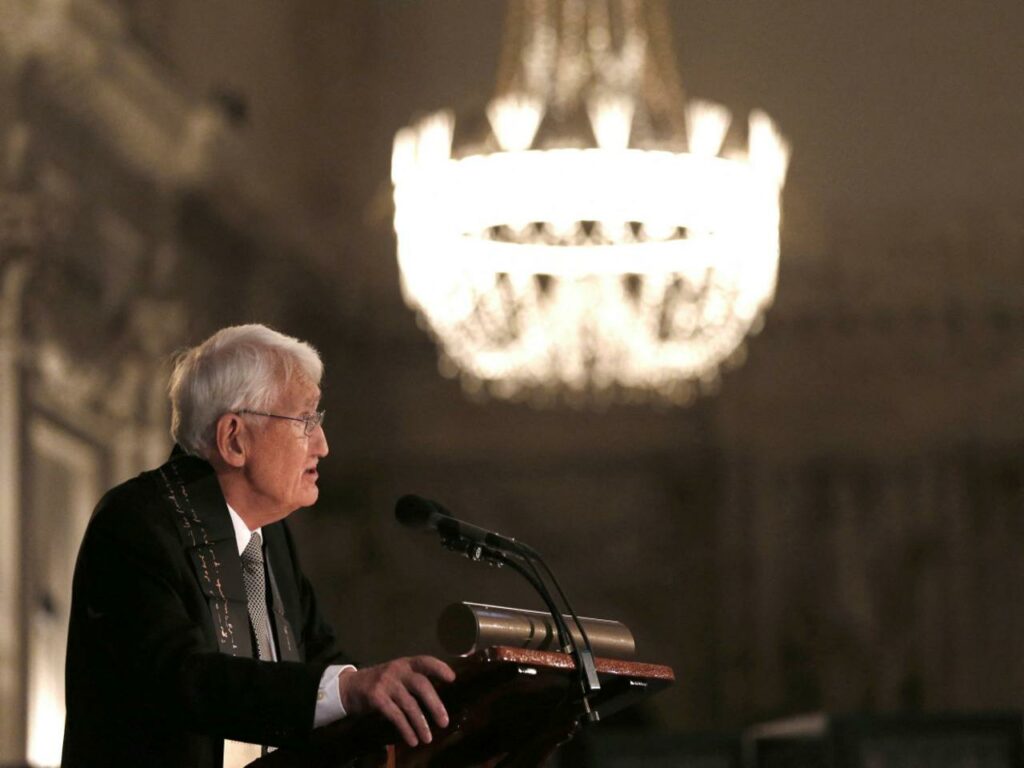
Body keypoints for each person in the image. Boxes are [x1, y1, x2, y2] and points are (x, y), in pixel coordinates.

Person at [62, 324, 455, 767]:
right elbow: (182, 679)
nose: (323, 445)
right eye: (306, 420)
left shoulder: (271, 538)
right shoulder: (136, 524)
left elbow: (321, 662)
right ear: (234, 439)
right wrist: (346, 690)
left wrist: (403, 701)